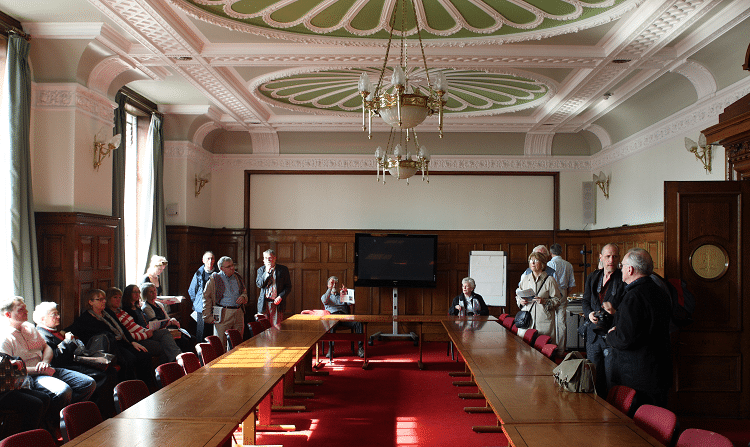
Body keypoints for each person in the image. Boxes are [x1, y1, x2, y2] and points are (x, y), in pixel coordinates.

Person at [0, 297, 96, 436]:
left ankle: (65, 419)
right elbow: (8, 369)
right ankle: (54, 427)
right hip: (30, 374)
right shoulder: (5, 337)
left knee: (88, 383)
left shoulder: (29, 327)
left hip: (45, 366)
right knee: (63, 391)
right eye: (21, 310)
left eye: (26, 308)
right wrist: (40, 369)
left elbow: (46, 347)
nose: (26, 311)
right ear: (8, 315)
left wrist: (45, 361)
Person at [606, 248, 672, 410]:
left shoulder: (634, 296)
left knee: (639, 423)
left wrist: (611, 334)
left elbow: (625, 339)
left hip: (638, 373)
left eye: (622, 265)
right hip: (658, 367)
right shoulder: (659, 290)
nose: (620, 268)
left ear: (630, 269)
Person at [33, 301, 117, 418]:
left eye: (58, 313)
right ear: (42, 318)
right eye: (54, 314)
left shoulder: (52, 331)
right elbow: (56, 359)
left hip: (72, 362)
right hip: (63, 367)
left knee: (110, 370)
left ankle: (105, 410)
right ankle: (92, 413)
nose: (58, 317)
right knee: (102, 375)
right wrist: (67, 341)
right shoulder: (42, 335)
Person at [65, 289, 154, 387]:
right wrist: (64, 334)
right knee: (129, 360)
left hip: (121, 343)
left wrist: (132, 342)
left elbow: (122, 328)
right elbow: (69, 330)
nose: (104, 301)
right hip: (107, 349)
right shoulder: (85, 319)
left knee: (145, 355)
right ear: (90, 302)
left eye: (104, 299)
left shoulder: (107, 312)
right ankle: (130, 390)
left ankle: (146, 387)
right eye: (100, 299)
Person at [581, 243, 626, 397]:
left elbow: (627, 309)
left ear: (619, 258)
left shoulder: (623, 279)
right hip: (593, 335)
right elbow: (585, 301)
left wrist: (614, 312)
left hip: (611, 334)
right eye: (607, 256)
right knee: (594, 377)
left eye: (614, 256)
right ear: (601, 257)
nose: (611, 260)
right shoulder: (593, 277)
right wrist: (589, 314)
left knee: (611, 378)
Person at [106, 287, 181, 364]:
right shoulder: (116, 312)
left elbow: (135, 325)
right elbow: (125, 333)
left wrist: (147, 331)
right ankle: (169, 367)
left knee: (165, 333)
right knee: (163, 347)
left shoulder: (121, 311)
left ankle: (179, 357)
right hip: (138, 338)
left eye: (119, 297)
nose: (118, 300)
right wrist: (145, 334)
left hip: (145, 331)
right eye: (115, 297)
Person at [203, 256, 249, 349]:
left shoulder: (237, 277)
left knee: (237, 342)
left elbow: (244, 292)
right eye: (228, 267)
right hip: (223, 313)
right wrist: (207, 316)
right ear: (221, 268)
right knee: (220, 343)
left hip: (238, 312)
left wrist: (243, 297)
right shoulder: (214, 279)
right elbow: (206, 297)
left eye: (232, 265)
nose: (232, 268)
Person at [515, 252, 562, 341]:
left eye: (536, 260)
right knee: (524, 350)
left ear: (543, 263)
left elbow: (557, 300)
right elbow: (518, 296)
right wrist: (520, 301)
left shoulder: (550, 280)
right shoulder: (525, 279)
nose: (532, 263)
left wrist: (544, 301)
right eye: (531, 260)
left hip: (544, 323)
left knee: (542, 350)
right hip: (526, 321)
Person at [321, 276, 364, 359]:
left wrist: (347, 293)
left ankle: (360, 348)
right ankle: (331, 349)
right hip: (333, 318)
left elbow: (351, 303)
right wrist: (329, 289)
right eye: (332, 283)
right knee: (331, 324)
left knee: (358, 323)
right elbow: (325, 301)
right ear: (328, 285)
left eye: (335, 283)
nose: (334, 285)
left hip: (344, 317)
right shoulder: (325, 296)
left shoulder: (342, 295)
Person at [548, 243, 576, 356]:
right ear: (561, 252)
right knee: (561, 322)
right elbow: (572, 284)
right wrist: (565, 293)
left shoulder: (549, 264)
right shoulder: (568, 265)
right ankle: (561, 350)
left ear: (551, 253)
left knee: (550, 321)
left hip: (551, 293)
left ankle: (551, 348)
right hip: (563, 292)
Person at [256, 249, 291, 326]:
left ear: (275, 258)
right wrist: (267, 273)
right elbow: (259, 284)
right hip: (264, 304)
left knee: (276, 328)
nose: (268, 260)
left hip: (277, 303)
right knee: (263, 328)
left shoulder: (283, 270)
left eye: (270, 258)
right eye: (265, 258)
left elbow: (288, 287)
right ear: (263, 260)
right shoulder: (261, 270)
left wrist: (281, 296)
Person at [189, 251, 217, 342]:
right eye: (208, 258)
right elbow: (192, 290)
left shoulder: (218, 273)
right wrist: (198, 302)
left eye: (212, 258)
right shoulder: (198, 273)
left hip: (214, 307)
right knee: (201, 332)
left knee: (212, 332)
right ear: (203, 260)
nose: (210, 261)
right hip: (201, 308)